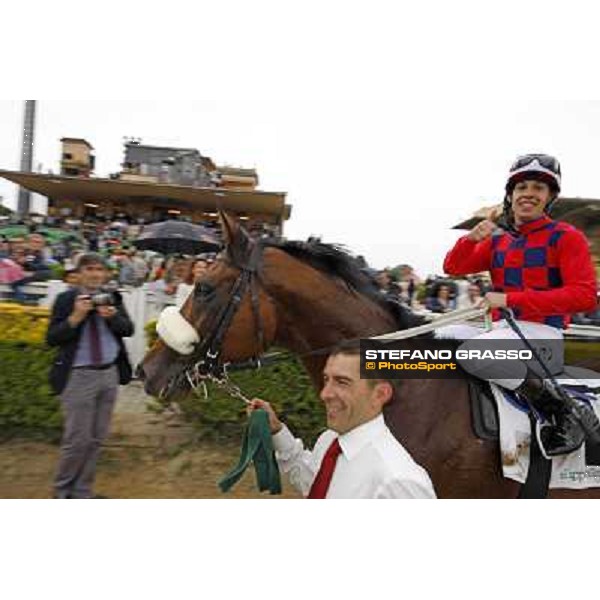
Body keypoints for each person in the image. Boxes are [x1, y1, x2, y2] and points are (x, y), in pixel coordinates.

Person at [441, 153, 599, 456]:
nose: (528, 194)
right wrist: (470, 239)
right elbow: (453, 267)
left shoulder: (567, 237)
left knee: (474, 353)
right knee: (437, 339)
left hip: (543, 338)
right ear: (510, 195)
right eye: (522, 187)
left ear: (549, 197)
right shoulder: (499, 240)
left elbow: (584, 296)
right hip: (502, 330)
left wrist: (511, 299)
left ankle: (564, 412)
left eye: (538, 188)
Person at [249, 342, 436, 499]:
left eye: (342, 382)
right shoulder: (329, 440)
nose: (324, 394)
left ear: (380, 394)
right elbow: (313, 485)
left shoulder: (398, 480)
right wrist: (277, 431)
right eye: (326, 380)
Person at [46, 253, 134, 499]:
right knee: (77, 440)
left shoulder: (113, 297)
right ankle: (63, 493)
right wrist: (76, 317)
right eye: (89, 269)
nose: (95, 273)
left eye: (99, 269)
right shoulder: (66, 299)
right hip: (78, 376)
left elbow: (129, 329)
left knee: (96, 439)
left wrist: (112, 317)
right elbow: (52, 338)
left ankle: (83, 492)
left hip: (109, 374)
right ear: (80, 273)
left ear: (105, 273)